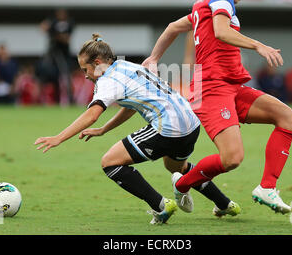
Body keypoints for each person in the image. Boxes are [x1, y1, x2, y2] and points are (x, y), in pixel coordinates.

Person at [142, 0, 292, 215]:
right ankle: (183, 183)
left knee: (287, 118)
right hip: (212, 88)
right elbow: (221, 31)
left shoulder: (202, 3)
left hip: (230, 86)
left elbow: (171, 27)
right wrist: (258, 45)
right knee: (233, 159)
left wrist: (154, 58)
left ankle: (267, 188)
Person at [34, 34, 241, 225]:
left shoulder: (107, 80)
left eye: (85, 70)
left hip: (168, 126)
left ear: (97, 64)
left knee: (110, 162)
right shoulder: (124, 66)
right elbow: (131, 106)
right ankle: (224, 203)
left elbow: (92, 114)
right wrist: (104, 130)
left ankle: (161, 205)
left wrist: (58, 138)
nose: (86, 75)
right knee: (176, 167)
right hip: (190, 122)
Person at [40, 9, 75, 105]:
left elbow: (66, 39)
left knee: (66, 75)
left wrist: (57, 36)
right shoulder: (53, 22)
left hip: (64, 53)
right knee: (48, 74)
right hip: (53, 51)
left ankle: (70, 99)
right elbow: (43, 27)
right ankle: (47, 98)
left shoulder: (69, 23)